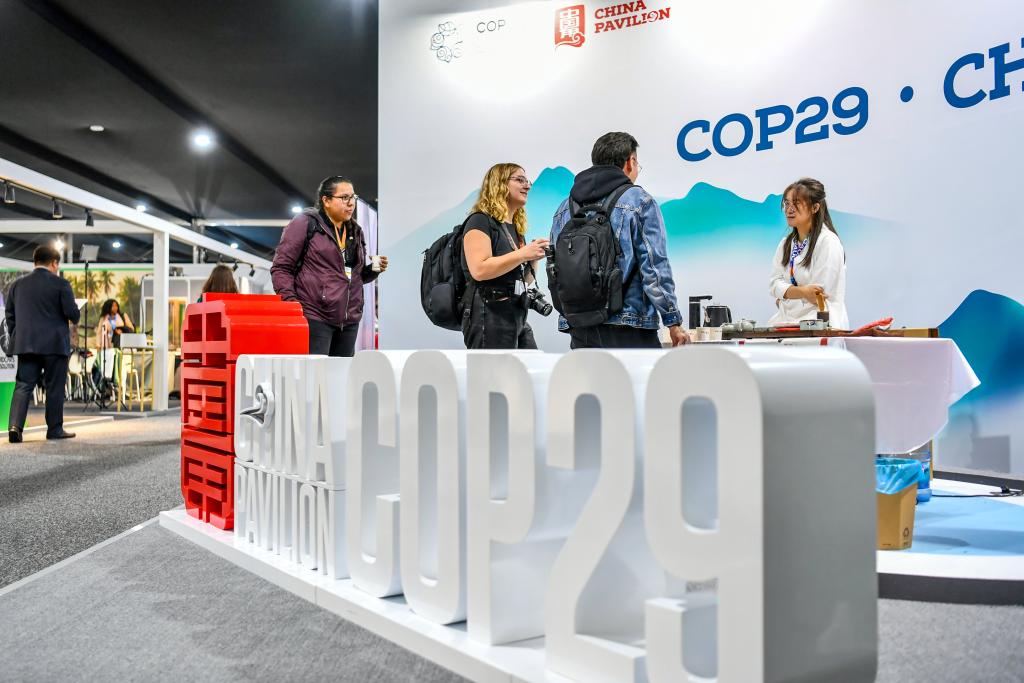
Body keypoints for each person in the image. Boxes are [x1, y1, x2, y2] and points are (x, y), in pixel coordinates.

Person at [550, 132, 688, 348]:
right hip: (629, 325)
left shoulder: (564, 208)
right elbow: (653, 267)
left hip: (579, 325)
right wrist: (673, 321)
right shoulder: (639, 200)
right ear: (630, 162)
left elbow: (555, 265)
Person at [271, 176, 388, 356]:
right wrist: (292, 304)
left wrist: (374, 269)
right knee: (316, 373)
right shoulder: (306, 223)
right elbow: (281, 268)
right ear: (326, 200)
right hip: (315, 316)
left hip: (349, 321)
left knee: (341, 373)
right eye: (344, 197)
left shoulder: (355, 231)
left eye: (353, 197)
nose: (351, 203)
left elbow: (354, 276)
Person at [461, 163, 548, 349]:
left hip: (516, 314)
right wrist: (522, 254)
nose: (527, 186)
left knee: (528, 364)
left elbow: (524, 281)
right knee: (496, 369)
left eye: (528, 181)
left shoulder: (515, 228)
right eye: (520, 180)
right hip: (488, 315)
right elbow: (479, 270)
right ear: (499, 184)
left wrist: (533, 258)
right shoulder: (480, 221)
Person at [5, 245, 81, 442]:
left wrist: (19, 335)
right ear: (54, 263)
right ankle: (54, 429)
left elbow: (10, 316)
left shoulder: (17, 285)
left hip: (27, 344)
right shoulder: (61, 284)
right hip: (55, 345)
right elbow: (73, 314)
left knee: (23, 385)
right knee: (54, 387)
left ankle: (15, 427)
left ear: (35, 261)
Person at [768, 178, 849, 329]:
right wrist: (802, 292)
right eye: (787, 203)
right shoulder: (785, 244)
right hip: (786, 321)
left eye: (797, 203)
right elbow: (773, 285)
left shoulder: (828, 242)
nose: (789, 209)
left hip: (819, 324)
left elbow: (818, 294)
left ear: (815, 207)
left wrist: (785, 296)